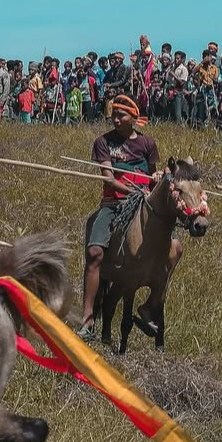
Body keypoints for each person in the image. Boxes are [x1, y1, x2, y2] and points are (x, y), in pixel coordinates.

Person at [79, 94, 160, 339]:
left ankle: (151, 307)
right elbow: (109, 178)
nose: (115, 119)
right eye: (113, 114)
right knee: (94, 253)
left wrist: (152, 183)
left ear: (133, 118)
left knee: (171, 249)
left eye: (121, 115)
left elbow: (153, 180)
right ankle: (88, 319)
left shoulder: (147, 144)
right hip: (113, 204)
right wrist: (133, 189)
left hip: (143, 207)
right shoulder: (103, 142)